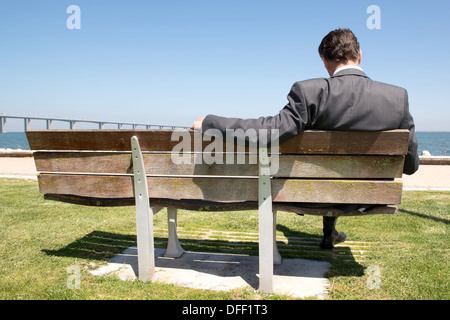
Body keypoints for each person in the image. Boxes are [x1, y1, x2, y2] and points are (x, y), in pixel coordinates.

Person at [191, 28, 419, 249]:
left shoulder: (310, 92)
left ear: (324, 61)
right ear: (359, 56)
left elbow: (267, 132)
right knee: (336, 175)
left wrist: (209, 123)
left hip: (313, 195)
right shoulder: (397, 97)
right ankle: (330, 233)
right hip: (368, 197)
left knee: (325, 175)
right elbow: (410, 166)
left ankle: (329, 231)